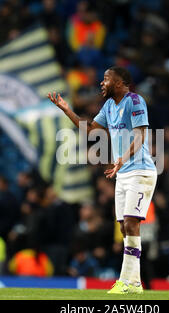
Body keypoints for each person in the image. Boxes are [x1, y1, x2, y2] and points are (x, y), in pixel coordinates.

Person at [48, 66, 157, 294]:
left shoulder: (135, 101)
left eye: (106, 79)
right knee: (123, 228)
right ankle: (134, 282)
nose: (101, 82)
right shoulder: (109, 106)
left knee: (131, 222)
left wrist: (121, 159)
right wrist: (67, 110)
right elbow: (90, 131)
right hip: (123, 172)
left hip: (141, 171)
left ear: (119, 83)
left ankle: (126, 281)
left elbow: (140, 135)